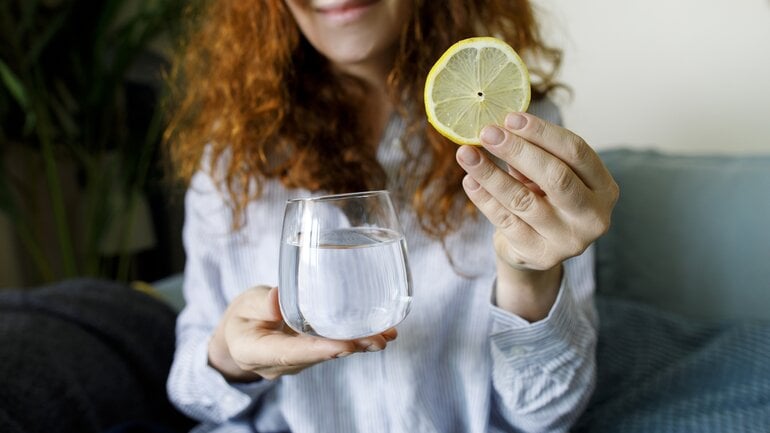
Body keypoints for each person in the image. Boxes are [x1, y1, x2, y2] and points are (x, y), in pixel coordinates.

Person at [163, 0, 618, 432]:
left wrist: (529, 274)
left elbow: (548, 415)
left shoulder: (519, 131)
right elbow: (190, 389)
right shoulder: (231, 155)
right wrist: (229, 355)